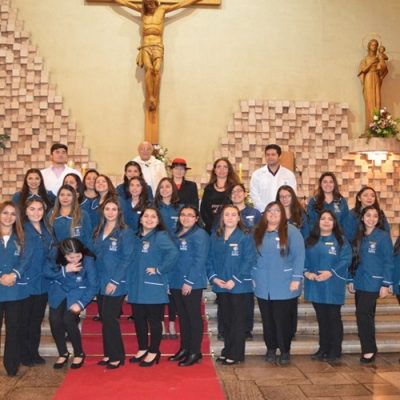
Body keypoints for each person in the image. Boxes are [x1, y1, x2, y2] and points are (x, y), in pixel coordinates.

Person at [114, 0, 201, 113]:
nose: (149, 7)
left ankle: (155, 96)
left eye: (150, 4)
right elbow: (126, 4)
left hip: (158, 46)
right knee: (149, 69)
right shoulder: (142, 11)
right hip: (145, 46)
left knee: (156, 70)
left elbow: (180, 4)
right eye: (146, 4)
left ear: (155, 2)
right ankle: (150, 97)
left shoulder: (162, 10)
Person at [252, 201, 305, 365]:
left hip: (285, 283)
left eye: (277, 211)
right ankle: (270, 348)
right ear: (265, 214)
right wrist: (253, 276)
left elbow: (299, 256)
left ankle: (284, 350)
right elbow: (251, 257)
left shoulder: (292, 231)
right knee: (267, 319)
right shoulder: (257, 232)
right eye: (270, 210)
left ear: (283, 214)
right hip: (262, 283)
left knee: (282, 320)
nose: (273, 213)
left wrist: (296, 278)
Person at [127, 207, 179, 367]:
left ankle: (154, 350)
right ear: (141, 219)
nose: (149, 219)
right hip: (136, 286)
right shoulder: (135, 237)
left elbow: (174, 253)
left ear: (158, 221)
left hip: (153, 286)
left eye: (153, 217)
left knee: (155, 321)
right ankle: (142, 348)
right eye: (146, 216)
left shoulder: (160, 236)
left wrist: (159, 269)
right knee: (139, 320)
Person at [207, 205, 256, 365]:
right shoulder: (215, 236)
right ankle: (227, 350)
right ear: (222, 218)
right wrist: (214, 278)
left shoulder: (245, 236)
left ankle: (236, 354)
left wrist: (234, 279)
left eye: (233, 214)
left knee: (237, 321)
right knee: (226, 320)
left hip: (239, 286)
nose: (229, 217)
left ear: (238, 218)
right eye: (226, 214)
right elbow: (209, 259)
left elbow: (249, 260)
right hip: (221, 285)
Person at [304, 210, 352, 362]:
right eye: (323, 219)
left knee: (333, 317)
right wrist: (307, 273)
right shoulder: (311, 240)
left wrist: (330, 272)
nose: (326, 221)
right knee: (322, 318)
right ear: (318, 222)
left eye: (330, 219)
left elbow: (346, 260)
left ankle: (335, 350)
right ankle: (323, 348)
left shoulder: (341, 240)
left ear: (334, 222)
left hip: (332, 284)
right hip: (315, 284)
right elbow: (302, 258)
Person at [348, 205, 394, 364]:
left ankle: (368, 349)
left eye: (375, 216)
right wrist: (350, 279)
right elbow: (352, 260)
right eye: (368, 215)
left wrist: (386, 284)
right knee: (367, 316)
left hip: (374, 282)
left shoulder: (382, 236)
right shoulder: (358, 236)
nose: (371, 219)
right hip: (360, 281)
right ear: (362, 217)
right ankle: (370, 347)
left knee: (362, 315)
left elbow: (389, 261)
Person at [93, 198, 135, 369]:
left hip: (115, 282)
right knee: (105, 318)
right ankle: (108, 353)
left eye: (114, 209)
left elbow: (127, 258)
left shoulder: (125, 232)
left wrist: (115, 280)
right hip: (100, 280)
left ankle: (117, 356)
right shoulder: (99, 230)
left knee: (110, 318)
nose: (110, 212)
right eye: (107, 209)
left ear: (119, 212)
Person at [45, 238, 97, 369]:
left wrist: (80, 304)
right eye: (70, 257)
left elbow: (93, 285)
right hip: (59, 291)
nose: (75, 260)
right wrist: (64, 270)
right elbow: (46, 272)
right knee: (54, 320)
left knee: (68, 320)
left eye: (78, 256)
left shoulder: (88, 260)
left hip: (77, 293)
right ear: (64, 255)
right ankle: (63, 353)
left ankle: (79, 353)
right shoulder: (55, 254)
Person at [169, 206, 209, 366]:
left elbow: (199, 260)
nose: (186, 218)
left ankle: (195, 351)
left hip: (191, 283)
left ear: (196, 218)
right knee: (183, 317)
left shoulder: (200, 234)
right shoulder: (175, 233)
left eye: (190, 215)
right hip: (176, 281)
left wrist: (189, 281)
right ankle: (184, 348)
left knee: (193, 317)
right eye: (183, 215)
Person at [19, 199, 53, 367]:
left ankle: (34, 352)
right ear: (25, 211)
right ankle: (24, 354)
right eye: (32, 209)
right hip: (27, 281)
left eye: (39, 209)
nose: (36, 212)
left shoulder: (47, 229)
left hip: (42, 282)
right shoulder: (21, 230)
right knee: (25, 320)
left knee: (36, 320)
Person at [0, 201, 28, 376]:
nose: (8, 217)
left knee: (13, 329)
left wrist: (14, 275)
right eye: (5, 213)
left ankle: (11, 365)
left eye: (12, 214)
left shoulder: (21, 237)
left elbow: (25, 260)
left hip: (14, 291)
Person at [230, 183, 260, 340]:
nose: (236, 194)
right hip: (231, 257)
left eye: (239, 191)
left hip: (249, 257)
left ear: (245, 193)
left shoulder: (254, 213)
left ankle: (247, 329)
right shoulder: (227, 213)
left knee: (247, 296)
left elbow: (260, 232)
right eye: (233, 191)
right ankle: (227, 328)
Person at [154, 177, 182, 338]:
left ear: (173, 189)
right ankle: (161, 324)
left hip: (175, 254)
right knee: (160, 289)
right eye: (162, 187)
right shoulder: (154, 208)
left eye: (168, 186)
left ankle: (171, 323)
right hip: (158, 253)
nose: (165, 189)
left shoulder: (180, 208)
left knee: (172, 290)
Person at [250, 144, 297, 213]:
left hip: (283, 213)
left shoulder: (289, 175)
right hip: (263, 213)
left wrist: (282, 211)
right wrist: (267, 210)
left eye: (273, 154)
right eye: (267, 155)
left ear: (279, 156)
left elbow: (293, 195)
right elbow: (254, 196)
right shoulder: (257, 174)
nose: (270, 157)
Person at [200, 158, 239, 233]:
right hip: (211, 228)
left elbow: (238, 208)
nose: (222, 170)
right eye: (219, 167)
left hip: (230, 228)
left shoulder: (234, 188)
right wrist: (213, 226)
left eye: (225, 167)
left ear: (229, 170)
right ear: (214, 170)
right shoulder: (208, 188)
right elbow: (203, 210)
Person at [48, 184, 93, 249]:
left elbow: (89, 239)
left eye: (69, 195)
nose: (65, 198)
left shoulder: (83, 214)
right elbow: (48, 239)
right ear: (58, 197)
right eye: (62, 195)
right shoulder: (51, 214)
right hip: (57, 256)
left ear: (74, 197)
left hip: (78, 256)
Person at [358, 39, 387, 131]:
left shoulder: (379, 58)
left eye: (376, 45)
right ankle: (370, 126)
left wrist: (381, 63)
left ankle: (377, 125)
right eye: (372, 45)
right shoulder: (365, 60)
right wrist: (371, 63)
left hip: (376, 78)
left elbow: (384, 70)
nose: (374, 47)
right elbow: (362, 71)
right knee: (370, 101)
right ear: (368, 46)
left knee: (377, 101)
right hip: (368, 78)